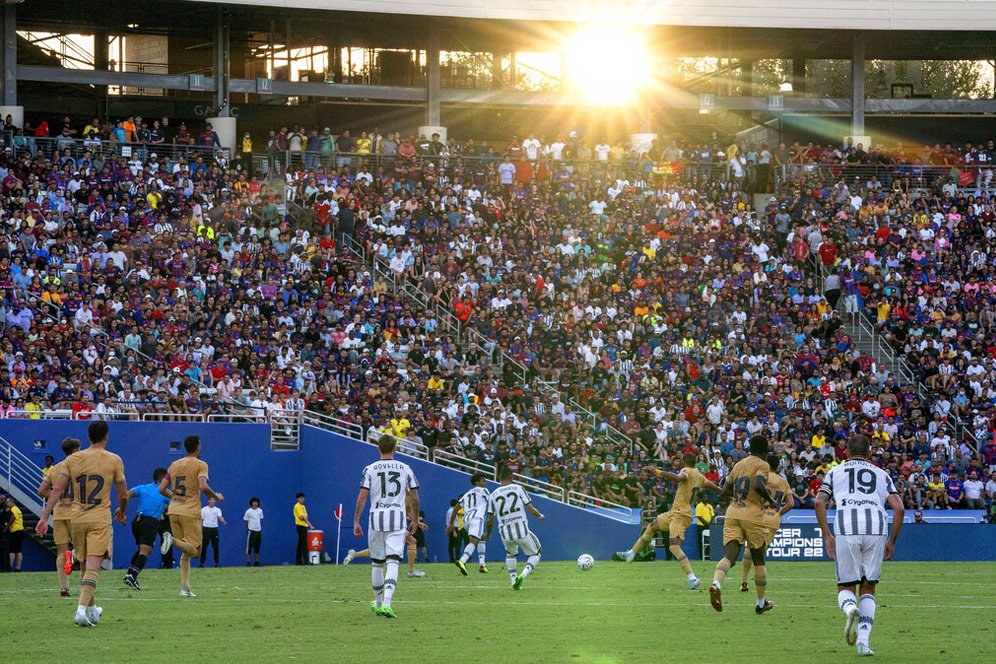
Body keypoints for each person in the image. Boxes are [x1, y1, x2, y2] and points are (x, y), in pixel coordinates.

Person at [816, 434, 904, 657]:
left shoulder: (835, 472)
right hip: (876, 527)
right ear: (870, 453)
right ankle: (863, 643)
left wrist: (827, 536)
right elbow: (899, 508)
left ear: (846, 452)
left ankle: (849, 608)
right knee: (869, 586)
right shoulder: (882, 474)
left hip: (847, 526)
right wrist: (891, 540)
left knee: (845, 586)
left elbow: (819, 501)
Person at [35, 421, 128, 627]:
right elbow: (123, 493)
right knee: (94, 566)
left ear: (88, 437)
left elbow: (56, 490)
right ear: (106, 437)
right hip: (98, 518)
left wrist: (43, 518)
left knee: (84, 565)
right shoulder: (114, 459)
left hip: (76, 518)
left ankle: (93, 610)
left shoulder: (73, 460)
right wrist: (121, 511)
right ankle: (81, 610)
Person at [615, 453, 722, 590]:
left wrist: (657, 471)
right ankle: (631, 554)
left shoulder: (686, 471)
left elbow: (678, 478)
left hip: (680, 514)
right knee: (652, 527)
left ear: (684, 461)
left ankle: (693, 578)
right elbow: (711, 486)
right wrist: (723, 491)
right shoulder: (699, 476)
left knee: (674, 547)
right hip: (674, 513)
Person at [353, 435, 420, 618]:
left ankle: (379, 602)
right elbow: (414, 496)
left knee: (376, 563)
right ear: (395, 449)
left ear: (378, 449)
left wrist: (356, 520)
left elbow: (362, 496)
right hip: (397, 519)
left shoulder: (370, 469)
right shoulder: (405, 468)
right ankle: (387, 604)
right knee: (393, 561)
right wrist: (414, 519)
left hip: (375, 518)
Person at [709, 435, 776, 614]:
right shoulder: (762, 464)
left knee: (729, 556)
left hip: (732, 512)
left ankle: (716, 583)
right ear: (764, 450)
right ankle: (761, 603)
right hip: (752, 514)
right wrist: (771, 500)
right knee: (759, 559)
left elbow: (724, 491)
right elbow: (759, 484)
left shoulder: (738, 465)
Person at [159, 435, 224, 597]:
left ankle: (185, 588)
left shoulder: (174, 465)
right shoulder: (201, 464)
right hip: (190, 511)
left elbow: (161, 489)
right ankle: (171, 540)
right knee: (196, 551)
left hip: (173, 510)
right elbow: (202, 486)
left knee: (185, 551)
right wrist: (216, 496)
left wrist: (173, 497)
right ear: (198, 447)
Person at [741, 454, 795, 593]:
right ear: (777, 467)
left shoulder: (761, 477)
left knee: (749, 550)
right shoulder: (783, 482)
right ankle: (758, 583)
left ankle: (744, 581)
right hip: (773, 521)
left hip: (757, 516)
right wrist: (778, 513)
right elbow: (791, 503)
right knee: (761, 554)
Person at [488, 467, 545, 590]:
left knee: (510, 553)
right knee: (537, 552)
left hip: (505, 533)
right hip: (522, 531)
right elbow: (531, 509)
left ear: (499, 477)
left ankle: (513, 581)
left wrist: (487, 534)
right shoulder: (518, 488)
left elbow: (490, 519)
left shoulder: (492, 495)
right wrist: (540, 516)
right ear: (512, 477)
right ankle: (523, 576)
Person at [37, 437, 81, 595]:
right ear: (76, 449)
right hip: (76, 512)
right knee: (82, 548)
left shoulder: (54, 469)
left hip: (59, 513)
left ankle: (64, 588)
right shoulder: (80, 466)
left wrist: (56, 497)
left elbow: (41, 491)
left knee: (61, 552)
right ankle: (73, 557)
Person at [123, 467, 170, 590]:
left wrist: (122, 511)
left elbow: (127, 494)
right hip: (150, 522)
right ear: (162, 478)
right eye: (167, 478)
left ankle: (129, 573)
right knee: (146, 552)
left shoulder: (143, 487)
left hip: (137, 521)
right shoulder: (164, 492)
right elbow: (175, 504)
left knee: (141, 550)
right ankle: (133, 576)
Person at [449, 473, 492, 574]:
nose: (485, 482)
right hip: (477, 518)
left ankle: (482, 565)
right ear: (477, 482)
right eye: (483, 480)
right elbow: (492, 502)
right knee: (474, 541)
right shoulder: (484, 490)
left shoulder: (467, 494)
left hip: (466, 520)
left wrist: (450, 524)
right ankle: (462, 561)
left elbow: (455, 509)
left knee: (481, 539)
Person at [200, 497, 226, 567]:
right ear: (208, 501)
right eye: (211, 500)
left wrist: (223, 521)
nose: (213, 501)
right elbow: (201, 520)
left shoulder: (217, 510)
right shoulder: (203, 509)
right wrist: (200, 528)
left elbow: (220, 517)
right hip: (206, 529)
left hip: (214, 530)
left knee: (215, 547)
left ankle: (216, 563)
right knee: (204, 547)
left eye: (214, 500)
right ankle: (202, 563)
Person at [293, 492, 314, 565]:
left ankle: (298, 561)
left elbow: (306, 517)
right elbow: (302, 517)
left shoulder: (303, 507)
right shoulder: (297, 506)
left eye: (303, 498)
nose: (302, 499)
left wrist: (307, 524)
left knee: (300, 544)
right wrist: (310, 525)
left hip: (304, 526)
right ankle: (306, 560)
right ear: (297, 499)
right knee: (304, 543)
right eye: (300, 498)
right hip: (300, 526)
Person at [6, 495, 24, 573]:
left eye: (8, 502)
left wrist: (6, 527)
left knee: (12, 550)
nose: (7, 504)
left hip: (15, 531)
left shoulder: (13, 509)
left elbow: (13, 518)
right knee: (18, 550)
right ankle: (18, 568)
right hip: (20, 530)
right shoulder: (18, 509)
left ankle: (9, 566)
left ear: (12, 502)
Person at [244, 497, 263, 566]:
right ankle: (248, 562)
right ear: (251, 503)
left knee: (257, 547)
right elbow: (245, 521)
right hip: (251, 532)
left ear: (258, 503)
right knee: (249, 548)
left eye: (256, 502)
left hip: (258, 531)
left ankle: (256, 562)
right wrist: (249, 528)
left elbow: (260, 519)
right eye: (253, 502)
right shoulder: (248, 511)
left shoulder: (260, 511)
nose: (255, 503)